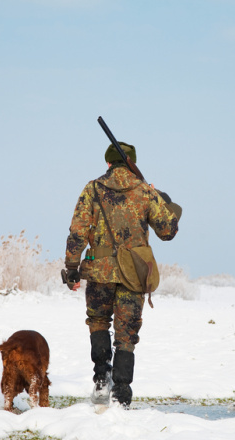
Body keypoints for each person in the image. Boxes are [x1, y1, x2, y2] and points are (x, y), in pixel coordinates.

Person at [64, 141, 182, 408]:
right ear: (132, 163)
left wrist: (72, 268)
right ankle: (122, 393)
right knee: (126, 333)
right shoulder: (144, 191)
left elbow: (77, 231)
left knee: (98, 322)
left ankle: (101, 381)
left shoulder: (92, 188)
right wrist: (161, 199)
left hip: (99, 271)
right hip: (134, 273)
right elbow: (168, 231)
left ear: (108, 163)